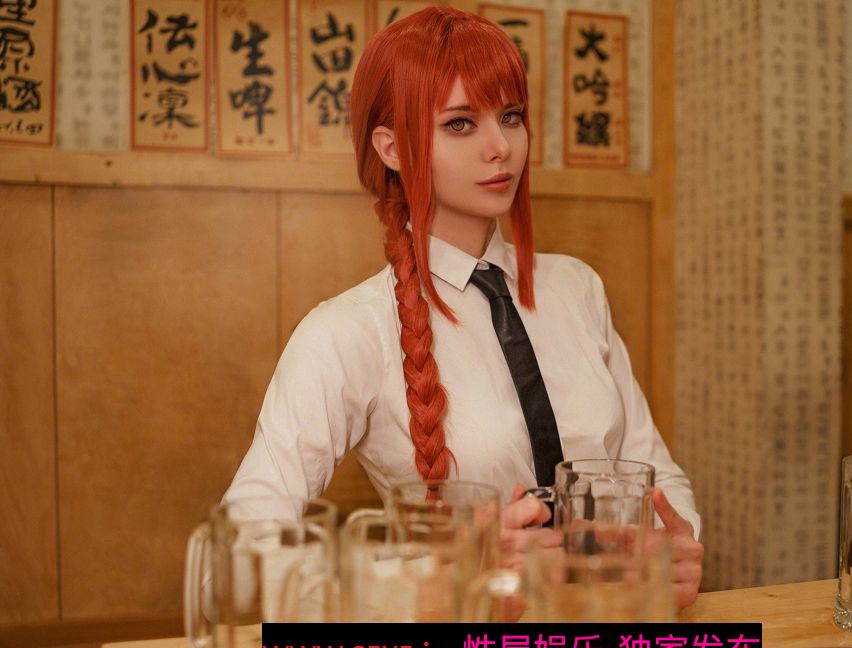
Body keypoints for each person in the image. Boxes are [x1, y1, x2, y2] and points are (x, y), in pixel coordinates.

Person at [224, 7, 703, 608]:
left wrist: (671, 548)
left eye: (511, 117)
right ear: (392, 148)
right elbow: (241, 549)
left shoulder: (577, 289)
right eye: (460, 124)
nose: (500, 147)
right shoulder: (348, 332)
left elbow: (653, 473)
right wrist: (440, 574)